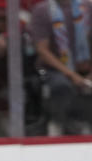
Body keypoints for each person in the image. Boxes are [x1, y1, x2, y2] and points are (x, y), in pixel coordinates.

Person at [30, 0, 92, 135]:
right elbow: (42, 50)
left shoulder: (87, 7)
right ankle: (59, 124)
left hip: (85, 67)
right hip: (54, 70)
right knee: (61, 86)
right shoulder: (42, 10)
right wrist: (71, 74)